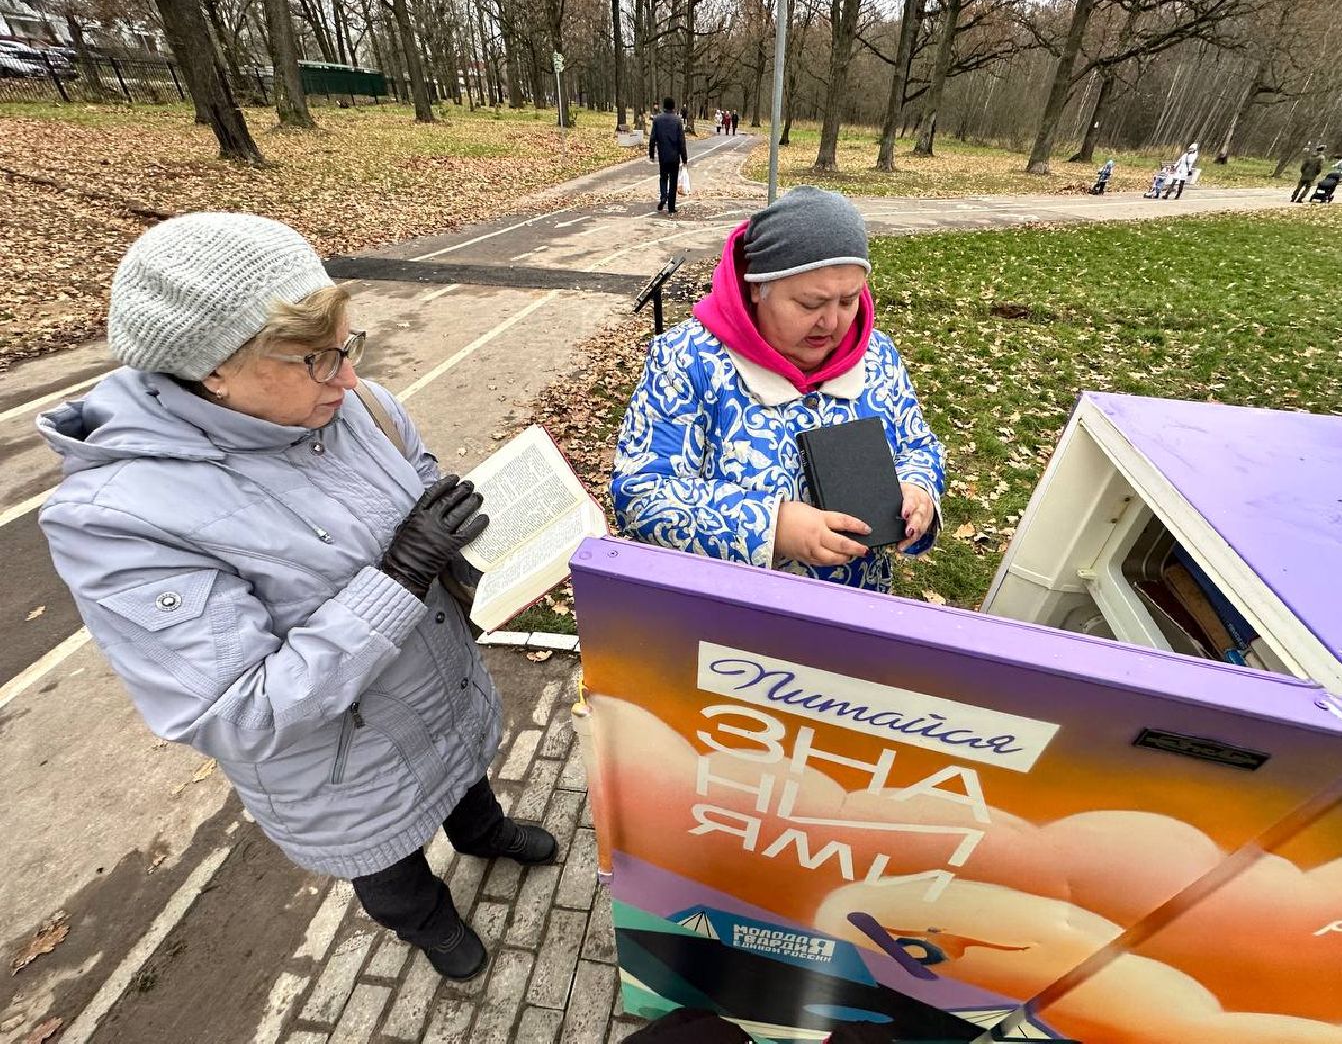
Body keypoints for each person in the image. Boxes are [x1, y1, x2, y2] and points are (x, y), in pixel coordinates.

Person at [37, 213, 556, 983]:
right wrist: (398, 578)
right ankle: (430, 924)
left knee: (465, 783)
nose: (348, 378)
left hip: (442, 697)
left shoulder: (356, 407)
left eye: (348, 345)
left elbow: (422, 488)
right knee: (391, 870)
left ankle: (483, 834)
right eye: (317, 359)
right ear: (214, 369)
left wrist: (489, 546)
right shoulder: (116, 520)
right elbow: (238, 710)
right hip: (346, 771)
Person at [611, 187, 946, 593]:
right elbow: (641, 493)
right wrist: (771, 526)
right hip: (730, 612)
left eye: (848, 300)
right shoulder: (689, 360)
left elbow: (919, 446)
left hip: (852, 606)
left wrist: (918, 488)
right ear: (757, 287)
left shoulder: (877, 356)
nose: (831, 323)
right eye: (810, 304)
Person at [649, 96, 688, 215]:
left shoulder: (657, 120)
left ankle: (663, 196)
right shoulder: (677, 120)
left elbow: (652, 138)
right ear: (673, 107)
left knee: (663, 177)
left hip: (663, 155)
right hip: (674, 155)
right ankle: (671, 206)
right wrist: (684, 157)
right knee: (673, 181)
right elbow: (681, 141)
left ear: (664, 106)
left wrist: (651, 154)